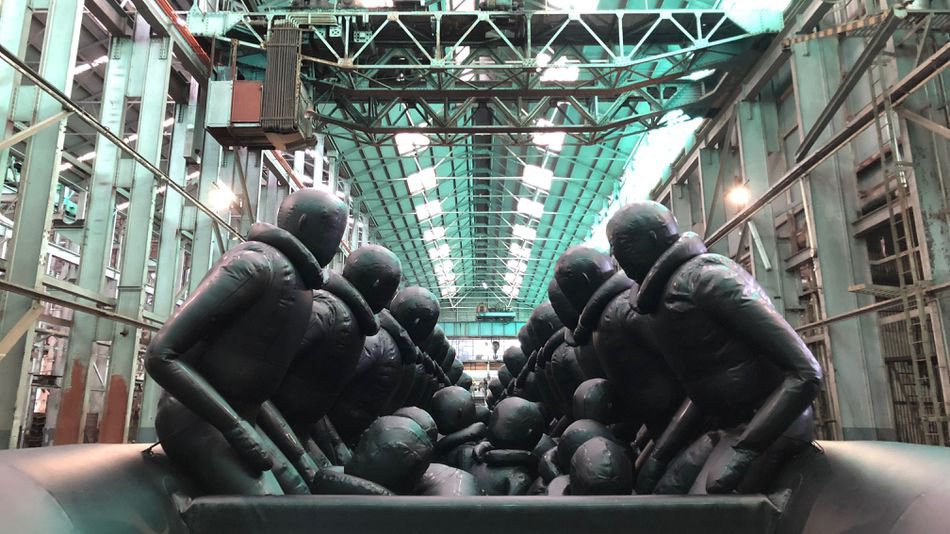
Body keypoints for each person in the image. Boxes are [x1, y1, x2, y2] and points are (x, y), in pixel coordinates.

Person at [606, 201, 822, 494]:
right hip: (724, 428)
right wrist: (661, 454)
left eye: (621, 246)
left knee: (705, 505)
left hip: (770, 424)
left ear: (652, 239)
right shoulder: (660, 301)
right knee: (658, 493)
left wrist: (746, 450)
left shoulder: (706, 278)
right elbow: (701, 387)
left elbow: (806, 371)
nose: (617, 258)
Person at [147, 188, 348, 495]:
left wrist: (296, 454)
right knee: (273, 511)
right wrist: (235, 427)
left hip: (241, 417)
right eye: (334, 232)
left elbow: (256, 388)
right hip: (195, 418)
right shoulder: (256, 264)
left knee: (302, 497)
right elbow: (161, 354)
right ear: (303, 223)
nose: (336, 245)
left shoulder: (299, 286)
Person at [259, 244, 402, 483]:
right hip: (267, 424)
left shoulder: (354, 323)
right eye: (391, 289)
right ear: (378, 286)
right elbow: (262, 379)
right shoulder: (328, 310)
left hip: (296, 428)